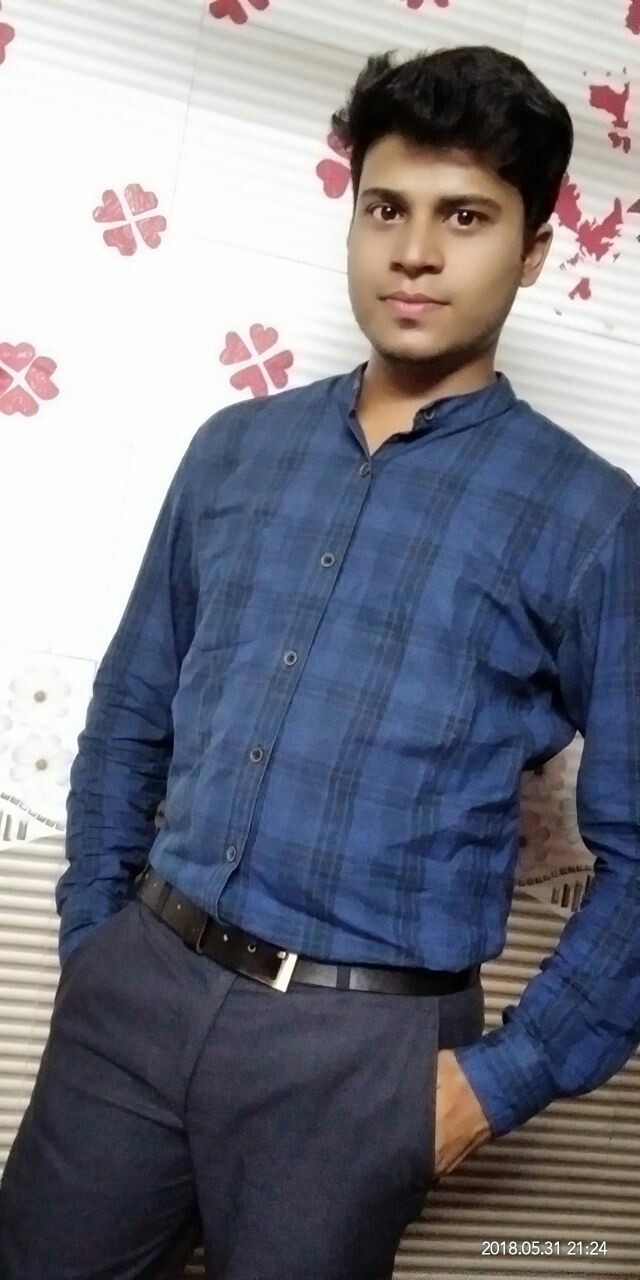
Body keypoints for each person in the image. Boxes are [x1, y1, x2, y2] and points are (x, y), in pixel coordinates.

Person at [2, 41, 639, 1280]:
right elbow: (131, 710)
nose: (416, 251)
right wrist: (95, 943)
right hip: (138, 991)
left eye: (465, 216)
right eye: (386, 208)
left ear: (534, 249)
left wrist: (498, 1080)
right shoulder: (233, 450)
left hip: (361, 1055)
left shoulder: (593, 522)